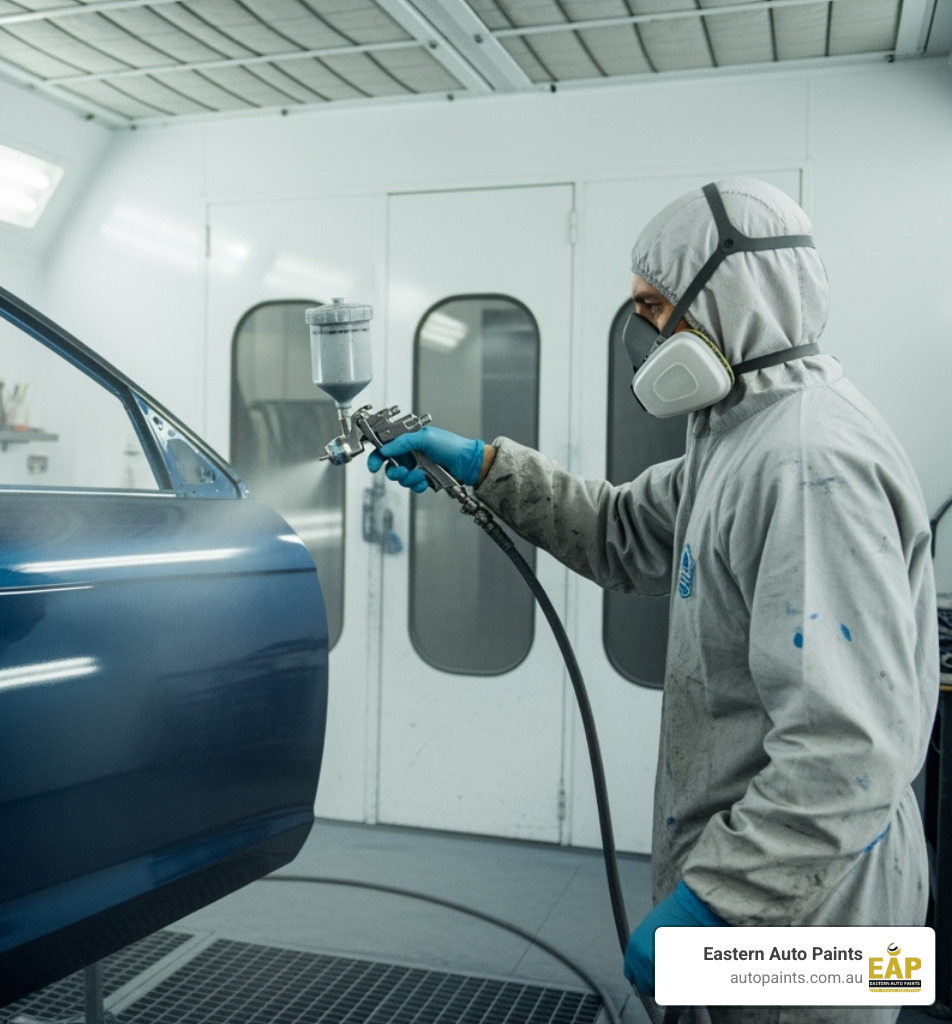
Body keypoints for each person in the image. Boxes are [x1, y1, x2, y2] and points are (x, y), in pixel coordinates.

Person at [369, 178, 938, 1023]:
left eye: (656, 308)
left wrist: (715, 901)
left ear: (731, 295)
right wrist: (483, 465)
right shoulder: (743, 435)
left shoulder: (807, 463)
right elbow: (620, 529)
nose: (647, 337)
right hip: (772, 890)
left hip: (809, 917)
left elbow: (847, 746)